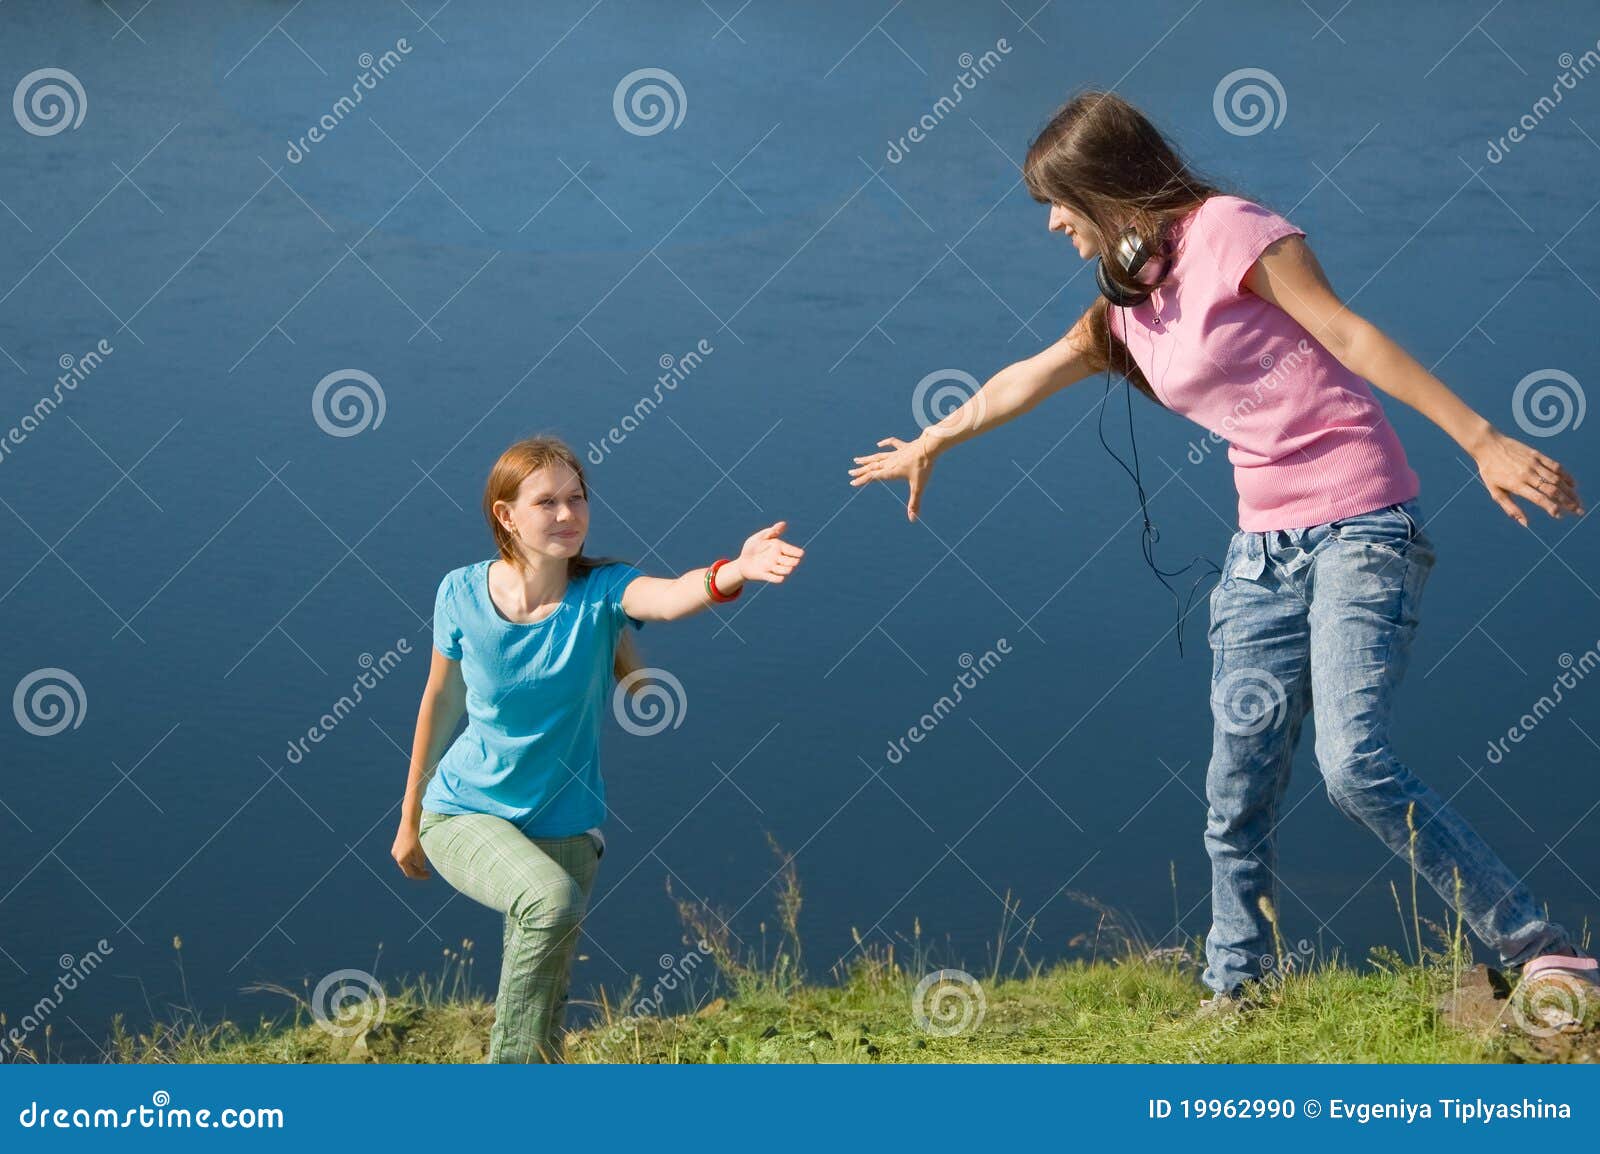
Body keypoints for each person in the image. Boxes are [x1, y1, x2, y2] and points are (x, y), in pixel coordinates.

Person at [848, 90, 1596, 1014]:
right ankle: (1234, 987)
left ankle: (1543, 948)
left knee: (1352, 763)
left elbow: (1349, 334)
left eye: (1058, 201)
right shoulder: (1127, 305)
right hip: (1260, 555)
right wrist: (934, 440)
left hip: (1360, 524)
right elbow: (1026, 377)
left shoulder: (1234, 232)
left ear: (1106, 186)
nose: (1050, 224)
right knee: (1233, 789)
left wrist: (1481, 439)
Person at [391, 434, 804, 1060]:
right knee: (548, 902)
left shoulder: (603, 592)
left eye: (577, 499)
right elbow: (439, 703)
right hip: (463, 809)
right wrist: (409, 817)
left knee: (549, 999)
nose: (567, 515)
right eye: (547, 502)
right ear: (506, 515)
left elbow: (669, 598)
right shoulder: (459, 593)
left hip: (567, 821)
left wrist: (735, 571)